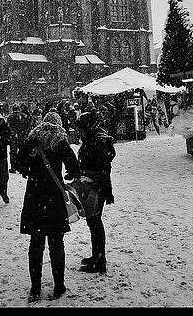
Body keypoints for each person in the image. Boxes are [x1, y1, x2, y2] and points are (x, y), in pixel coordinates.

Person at [15, 111, 80, 303]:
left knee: (36, 243)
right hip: (53, 197)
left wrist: (29, 170)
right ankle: (59, 285)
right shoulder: (60, 141)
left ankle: (35, 288)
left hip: (34, 195)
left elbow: (18, 163)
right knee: (56, 242)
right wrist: (65, 176)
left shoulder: (31, 139)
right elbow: (74, 168)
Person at [75, 109, 116, 274]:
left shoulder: (97, 142)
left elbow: (104, 170)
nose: (79, 132)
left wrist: (95, 190)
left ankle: (99, 261)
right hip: (93, 186)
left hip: (96, 188)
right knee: (93, 223)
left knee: (95, 223)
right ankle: (97, 256)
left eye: (81, 129)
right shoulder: (93, 139)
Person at [7, 104, 33, 173]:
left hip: (13, 137)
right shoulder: (24, 116)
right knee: (22, 151)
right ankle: (22, 166)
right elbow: (28, 125)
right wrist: (24, 132)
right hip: (22, 136)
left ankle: (13, 167)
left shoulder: (10, 117)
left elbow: (8, 127)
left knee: (13, 153)